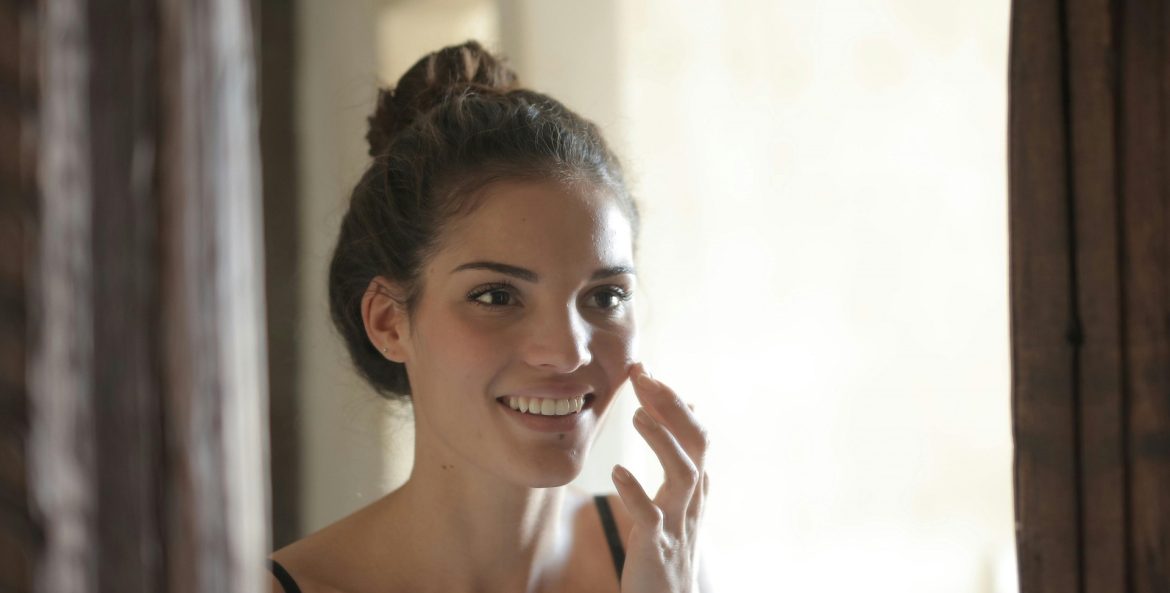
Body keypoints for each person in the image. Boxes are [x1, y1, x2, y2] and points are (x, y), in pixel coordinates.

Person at [269, 40, 711, 593]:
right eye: (497, 296)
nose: (568, 352)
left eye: (605, 297)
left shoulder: (658, 558)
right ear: (388, 322)